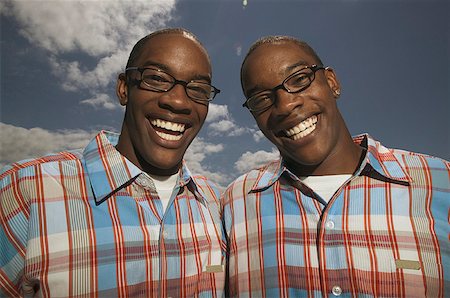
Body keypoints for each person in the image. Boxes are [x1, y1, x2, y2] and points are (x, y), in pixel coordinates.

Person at [0, 28, 225, 297]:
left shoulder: (215, 204)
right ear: (123, 89)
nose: (177, 100)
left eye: (198, 89)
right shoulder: (24, 190)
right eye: (156, 78)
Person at [222, 35, 449, 297]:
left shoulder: (440, 183)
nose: (285, 105)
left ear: (332, 82)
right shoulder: (236, 202)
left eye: (299, 80)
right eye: (261, 99)